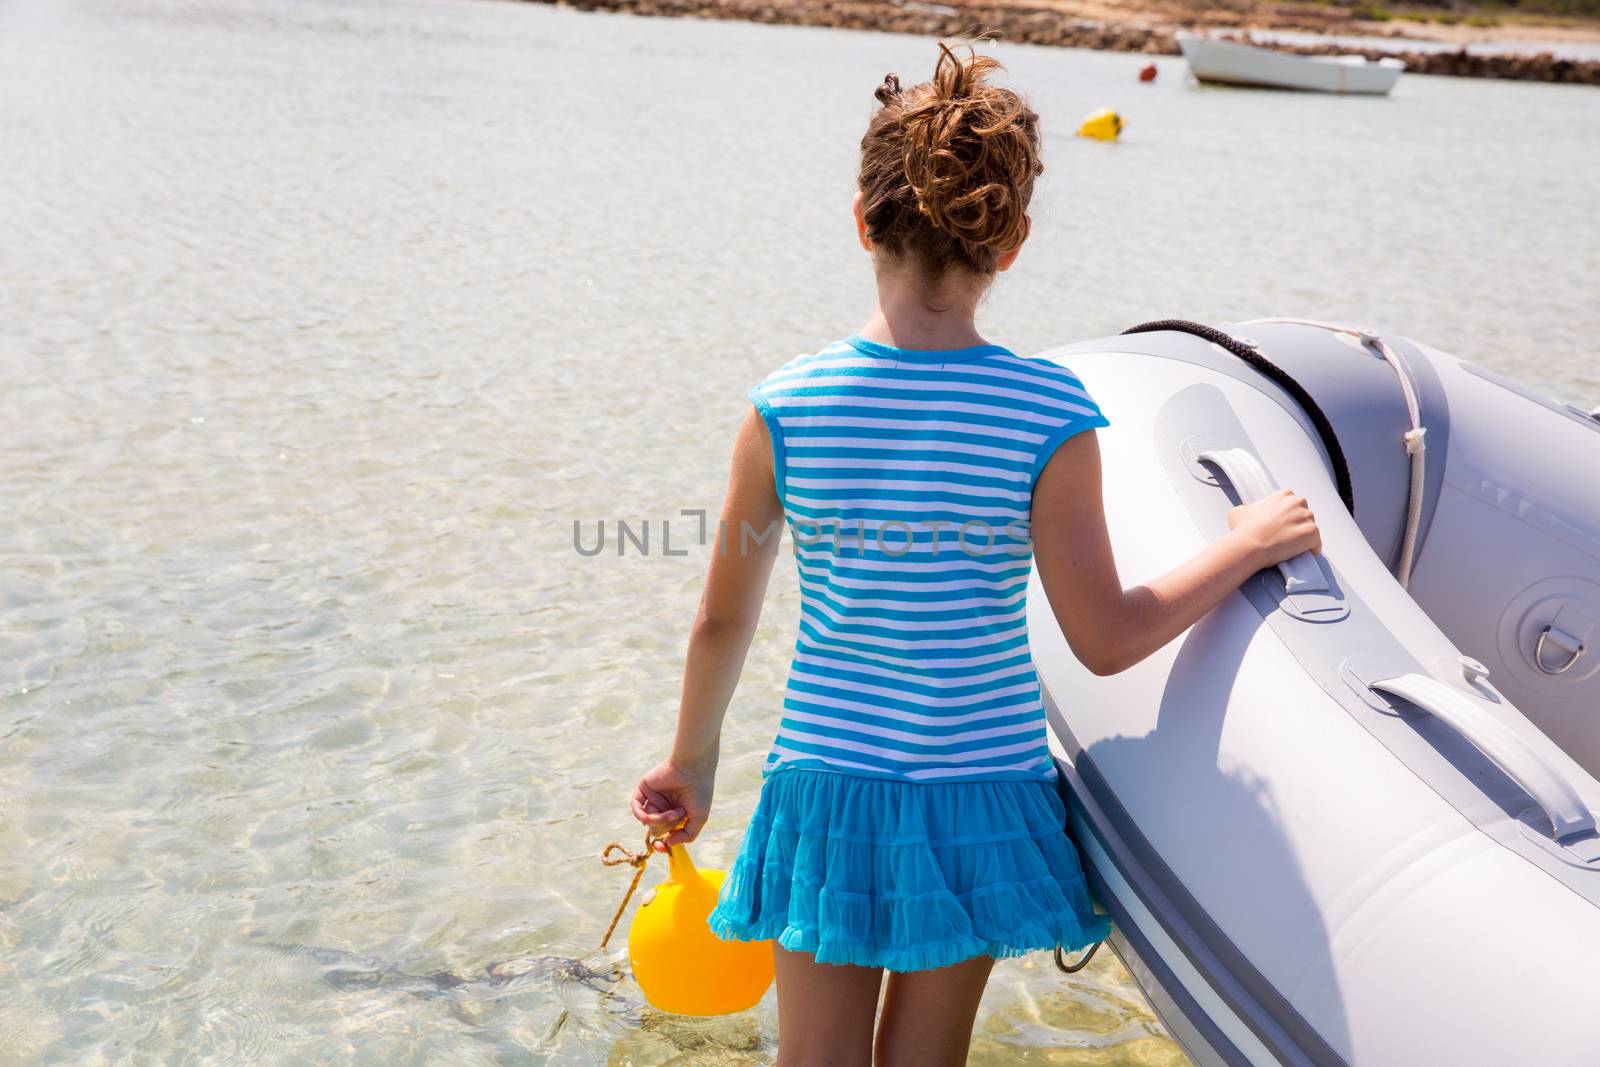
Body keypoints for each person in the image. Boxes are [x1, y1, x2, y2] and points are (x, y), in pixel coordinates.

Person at [630, 42, 1320, 1067]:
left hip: (828, 782)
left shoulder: (785, 405)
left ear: (862, 224)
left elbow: (719, 619)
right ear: (1011, 243)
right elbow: (1105, 633)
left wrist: (691, 761)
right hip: (979, 786)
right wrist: (1242, 544)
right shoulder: (1048, 411)